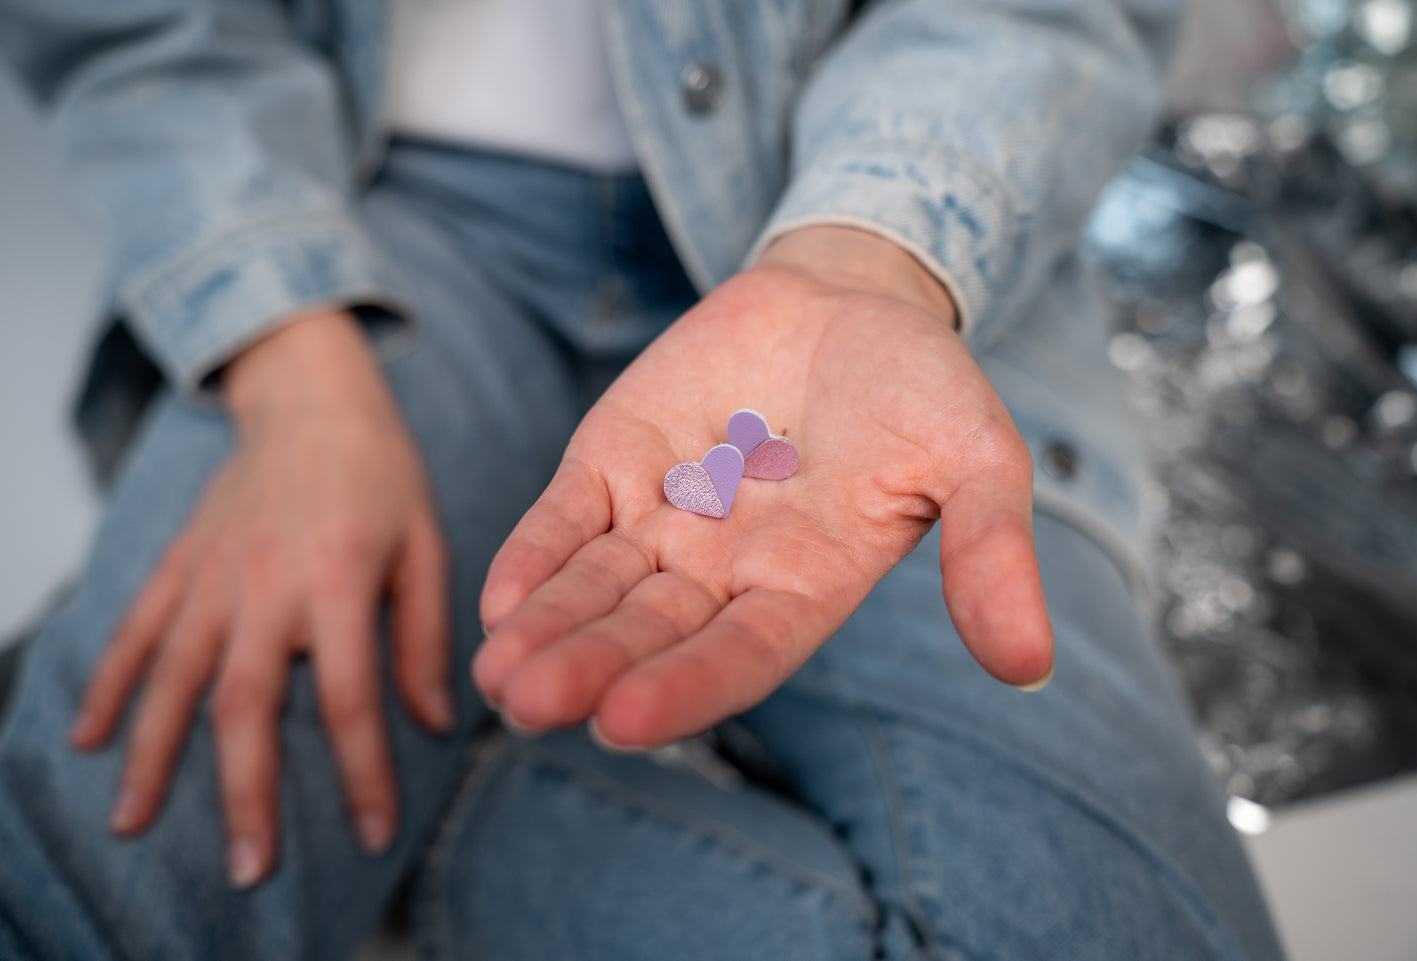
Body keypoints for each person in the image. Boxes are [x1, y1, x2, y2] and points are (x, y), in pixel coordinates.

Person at [0, 0, 1284, 958]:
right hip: (366, 221)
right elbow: (141, 31)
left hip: (862, 201)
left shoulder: (862, 268)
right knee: (93, 869)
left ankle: (441, 817)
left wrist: (868, 258)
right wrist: (285, 350)